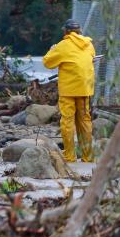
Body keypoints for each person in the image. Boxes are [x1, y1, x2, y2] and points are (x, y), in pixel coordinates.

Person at [42, 19, 96, 163]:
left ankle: (70, 156)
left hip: (68, 91)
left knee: (67, 122)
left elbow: (47, 62)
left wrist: (52, 50)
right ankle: (88, 156)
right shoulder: (89, 45)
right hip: (85, 89)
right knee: (85, 121)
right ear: (79, 31)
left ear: (65, 31)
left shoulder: (63, 45)